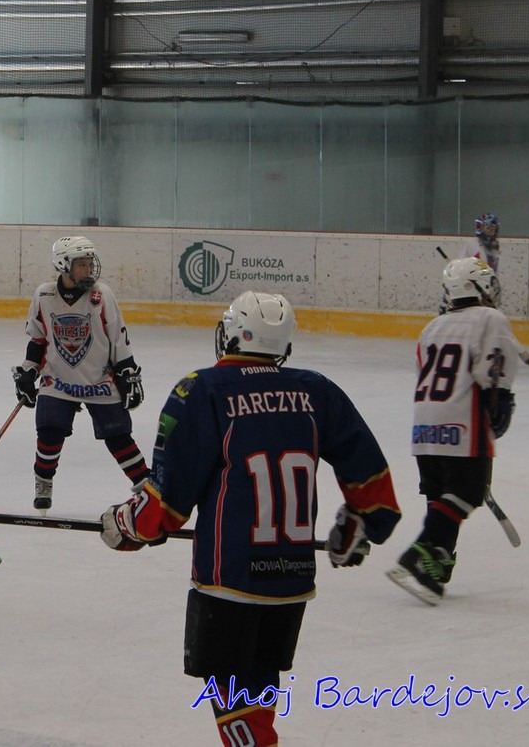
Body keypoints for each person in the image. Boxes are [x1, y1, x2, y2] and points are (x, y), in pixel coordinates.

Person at [99, 291, 401, 747]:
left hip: (230, 580)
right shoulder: (316, 390)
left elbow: (168, 505)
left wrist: (127, 524)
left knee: (232, 692)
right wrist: (362, 524)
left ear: (231, 335)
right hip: (291, 581)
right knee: (258, 684)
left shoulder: (200, 391)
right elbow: (368, 470)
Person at [388, 257, 517, 606]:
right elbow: (492, 369)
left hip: (423, 426)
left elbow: (423, 369)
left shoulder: (432, 326)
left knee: (442, 496)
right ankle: (418, 553)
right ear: (477, 286)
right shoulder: (490, 318)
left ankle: (437, 560)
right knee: (467, 492)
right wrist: (500, 401)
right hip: (461, 420)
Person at [12, 236, 147, 513]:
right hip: (58, 380)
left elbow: (118, 339)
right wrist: (28, 371)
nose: (88, 270)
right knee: (49, 431)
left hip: (99, 380)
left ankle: (147, 486)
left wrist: (128, 373)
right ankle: (43, 482)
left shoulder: (102, 295)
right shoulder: (44, 295)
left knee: (118, 435)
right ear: (64, 265)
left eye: (89, 263)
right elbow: (38, 340)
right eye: (81, 264)